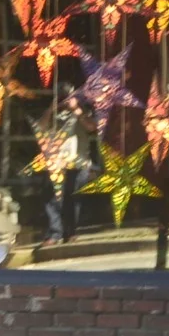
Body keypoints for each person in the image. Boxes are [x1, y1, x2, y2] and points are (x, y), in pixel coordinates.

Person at [42, 90, 98, 246]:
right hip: (58, 162)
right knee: (53, 198)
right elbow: (41, 127)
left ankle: (71, 232)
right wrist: (51, 109)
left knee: (73, 199)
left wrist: (76, 110)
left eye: (68, 97)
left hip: (79, 162)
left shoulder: (83, 111)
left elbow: (91, 127)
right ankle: (54, 233)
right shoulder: (54, 114)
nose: (65, 101)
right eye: (62, 98)